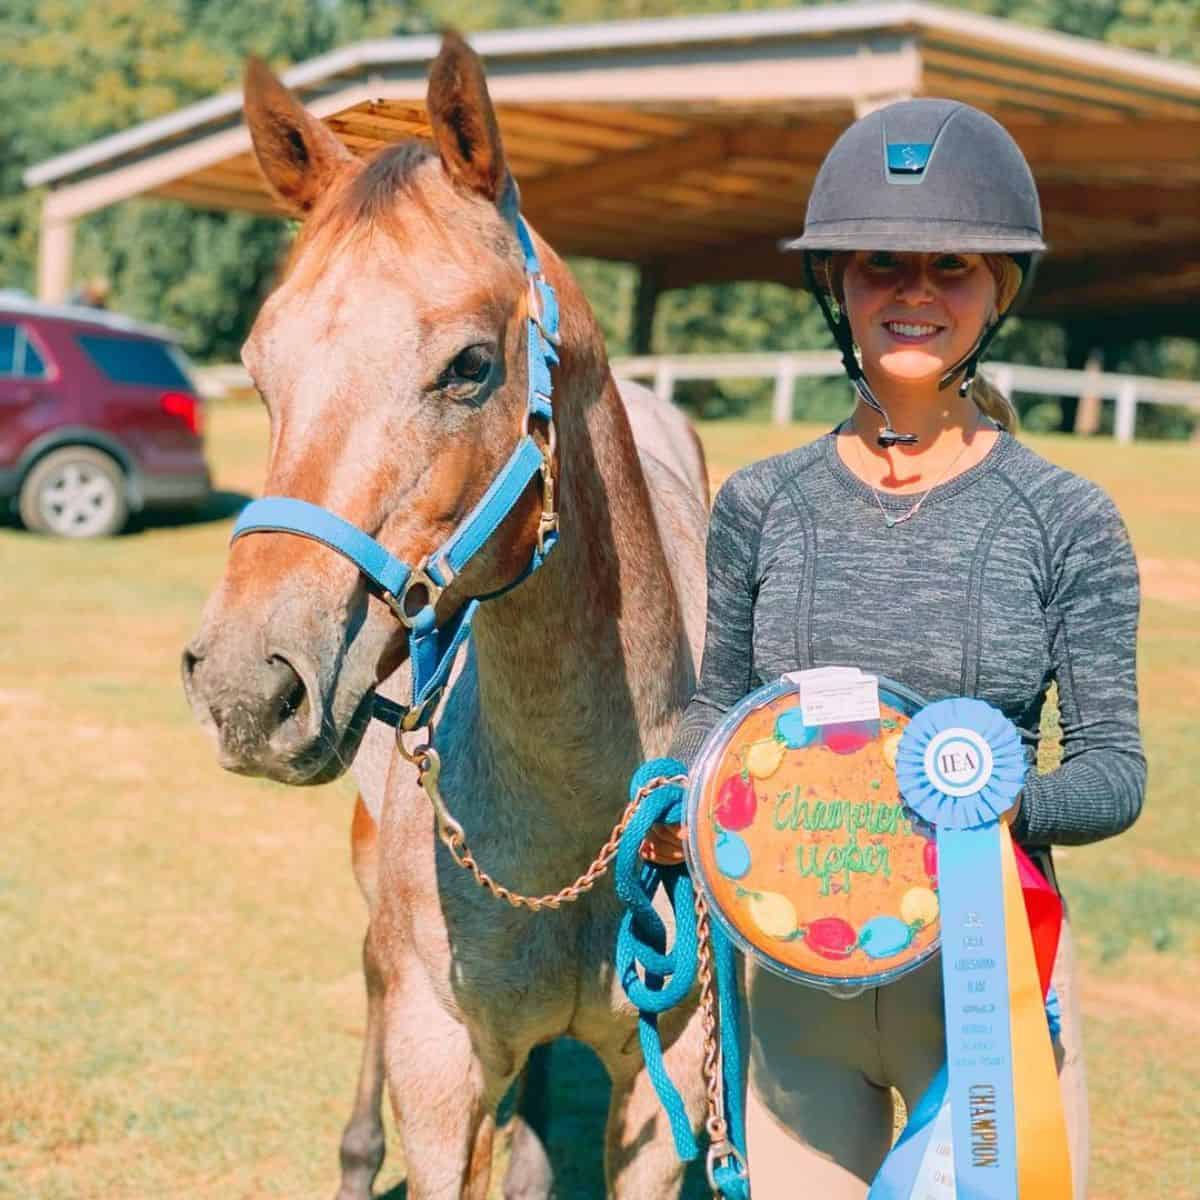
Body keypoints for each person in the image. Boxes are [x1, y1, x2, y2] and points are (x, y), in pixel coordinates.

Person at [663, 99, 1144, 1199]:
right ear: (836, 283)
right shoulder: (760, 502)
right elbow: (715, 713)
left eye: (952, 267)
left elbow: (1117, 769)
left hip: (986, 981)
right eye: (883, 265)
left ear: (1000, 292)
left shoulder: (1065, 517)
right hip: (794, 983)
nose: (915, 293)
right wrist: (672, 798)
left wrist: (995, 806)